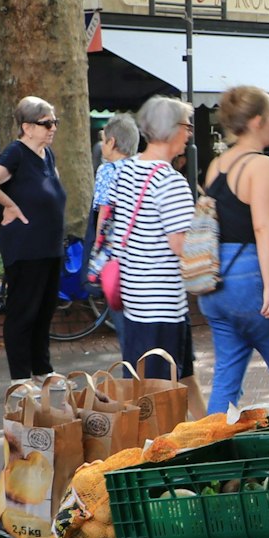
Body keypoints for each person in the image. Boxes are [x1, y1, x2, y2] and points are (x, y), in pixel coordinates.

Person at [199, 85, 269, 411]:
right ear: (256, 121)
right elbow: (263, 227)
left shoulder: (217, 165)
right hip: (251, 276)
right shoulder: (262, 166)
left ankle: (213, 440)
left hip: (216, 281)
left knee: (226, 381)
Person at [0, 95, 67, 381]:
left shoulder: (47, 154)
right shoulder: (17, 153)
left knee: (44, 312)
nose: (53, 128)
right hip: (26, 247)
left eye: (55, 122)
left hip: (50, 246)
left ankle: (42, 369)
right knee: (23, 313)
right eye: (46, 123)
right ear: (27, 127)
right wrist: (10, 205)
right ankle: (20, 378)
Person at [106, 96, 198, 378]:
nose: (189, 134)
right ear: (172, 129)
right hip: (163, 303)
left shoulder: (125, 170)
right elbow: (180, 245)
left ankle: (208, 412)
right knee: (157, 391)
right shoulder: (171, 181)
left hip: (133, 297)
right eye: (187, 126)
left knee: (163, 381)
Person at [91, 113, 139, 244]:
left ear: (111, 142)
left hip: (113, 242)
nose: (102, 145)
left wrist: (98, 244)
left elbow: (104, 212)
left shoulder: (107, 170)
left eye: (103, 141)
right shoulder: (140, 167)